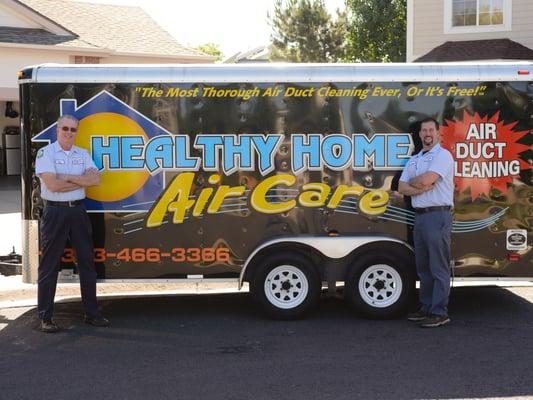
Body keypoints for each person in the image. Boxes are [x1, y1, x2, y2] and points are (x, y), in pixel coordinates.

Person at [35, 114, 110, 333]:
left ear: (77, 132)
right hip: (55, 212)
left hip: (78, 211)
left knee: (87, 263)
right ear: (57, 130)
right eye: (65, 129)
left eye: (73, 129)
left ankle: (91, 314)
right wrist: (78, 181)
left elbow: (95, 180)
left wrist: (65, 177)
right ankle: (46, 317)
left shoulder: (83, 154)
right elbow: (53, 186)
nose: (69, 133)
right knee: (49, 266)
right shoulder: (45, 154)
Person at [398, 117, 454, 328]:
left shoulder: (443, 155)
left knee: (438, 266)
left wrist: (420, 183)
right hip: (419, 217)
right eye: (424, 130)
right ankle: (427, 307)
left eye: (431, 129)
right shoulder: (414, 159)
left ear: (438, 133)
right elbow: (402, 187)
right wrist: (420, 186)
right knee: (423, 266)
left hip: (438, 215)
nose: (428, 133)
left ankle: (440, 312)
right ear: (420, 135)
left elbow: (425, 180)